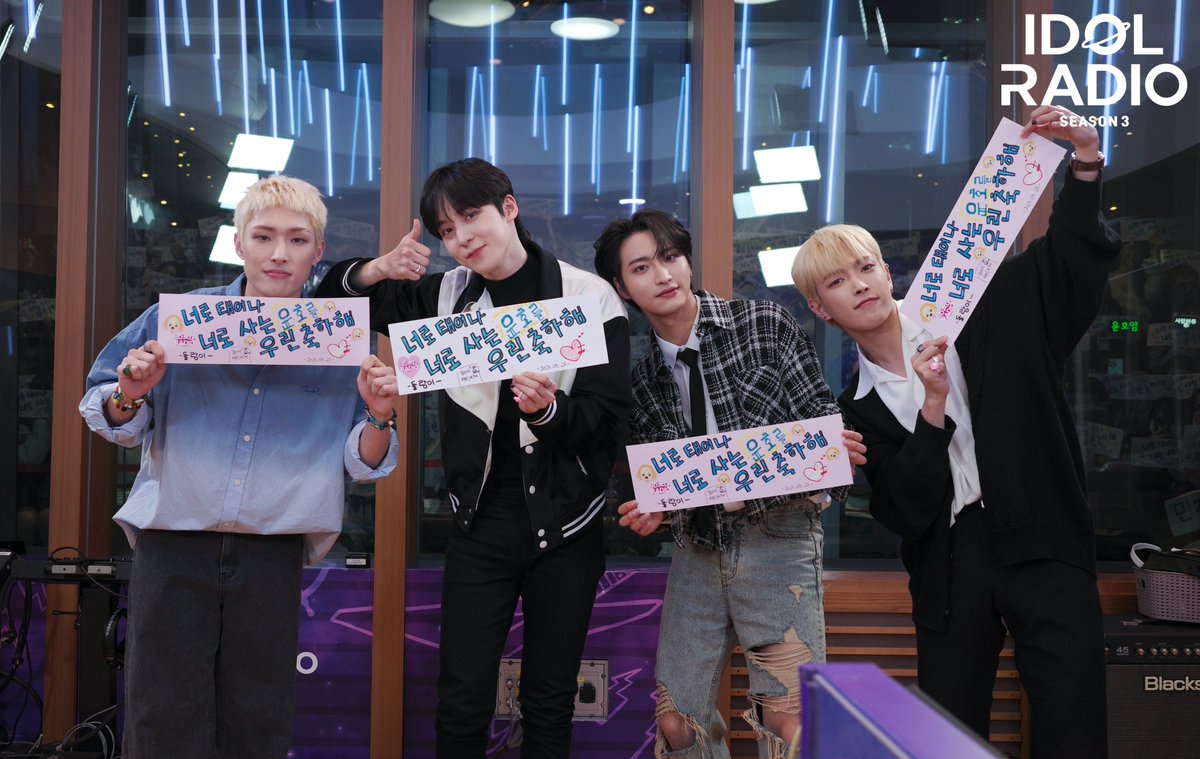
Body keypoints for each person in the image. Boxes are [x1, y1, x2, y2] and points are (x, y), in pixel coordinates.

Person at [790, 105, 1120, 758]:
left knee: (1072, 723)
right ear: (820, 308)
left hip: (1041, 528)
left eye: (865, 267)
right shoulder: (855, 411)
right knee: (948, 734)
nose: (859, 285)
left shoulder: (981, 305)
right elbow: (904, 509)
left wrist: (1084, 162)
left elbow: (1067, 268)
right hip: (951, 562)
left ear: (887, 271)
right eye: (837, 282)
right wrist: (932, 411)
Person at [316, 157, 632, 758]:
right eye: (446, 230)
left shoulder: (589, 297)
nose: (461, 237)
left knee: (549, 702)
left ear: (509, 208)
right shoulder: (446, 295)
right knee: (461, 700)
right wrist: (378, 268)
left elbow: (608, 424)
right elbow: (334, 303)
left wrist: (549, 413)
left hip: (567, 525)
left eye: (470, 216)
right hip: (479, 522)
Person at [79, 175, 400, 759]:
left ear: (318, 251)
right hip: (173, 542)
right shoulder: (179, 320)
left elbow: (363, 462)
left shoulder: (340, 337)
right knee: (160, 714)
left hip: (273, 549)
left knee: (259, 716)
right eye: (264, 236)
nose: (280, 254)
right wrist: (131, 391)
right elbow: (109, 410)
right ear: (238, 243)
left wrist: (380, 416)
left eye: (297, 240)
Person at [592, 209, 866, 757]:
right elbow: (669, 483)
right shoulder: (640, 380)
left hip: (779, 538)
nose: (662, 275)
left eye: (670, 257)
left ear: (686, 260)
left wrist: (832, 449)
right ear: (622, 288)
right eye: (641, 268)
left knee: (789, 720)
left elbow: (819, 417)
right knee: (676, 722)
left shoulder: (765, 322)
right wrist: (655, 512)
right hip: (698, 548)